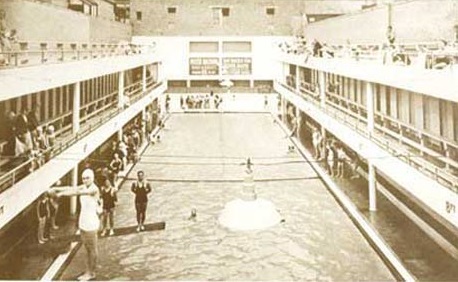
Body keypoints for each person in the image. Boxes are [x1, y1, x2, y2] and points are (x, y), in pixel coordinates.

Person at [50, 169, 100, 281]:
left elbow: (77, 192)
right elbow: (72, 188)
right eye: (83, 178)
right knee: (87, 249)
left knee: (92, 249)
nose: (85, 180)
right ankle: (88, 270)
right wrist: (57, 189)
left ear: (92, 178)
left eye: (87, 178)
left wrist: (61, 194)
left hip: (91, 223)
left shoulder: (94, 189)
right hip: (83, 221)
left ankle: (92, 272)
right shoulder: (84, 186)